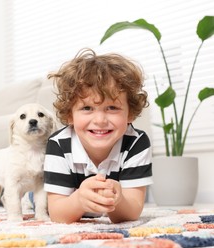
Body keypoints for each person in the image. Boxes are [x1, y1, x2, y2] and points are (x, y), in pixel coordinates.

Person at [43, 48, 153, 224]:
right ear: (70, 115)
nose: (100, 120)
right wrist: (79, 199)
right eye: (87, 108)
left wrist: (116, 199)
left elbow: (131, 212)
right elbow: (57, 214)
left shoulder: (136, 142)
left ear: (130, 113)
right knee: (35, 202)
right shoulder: (59, 143)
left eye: (112, 108)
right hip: (53, 193)